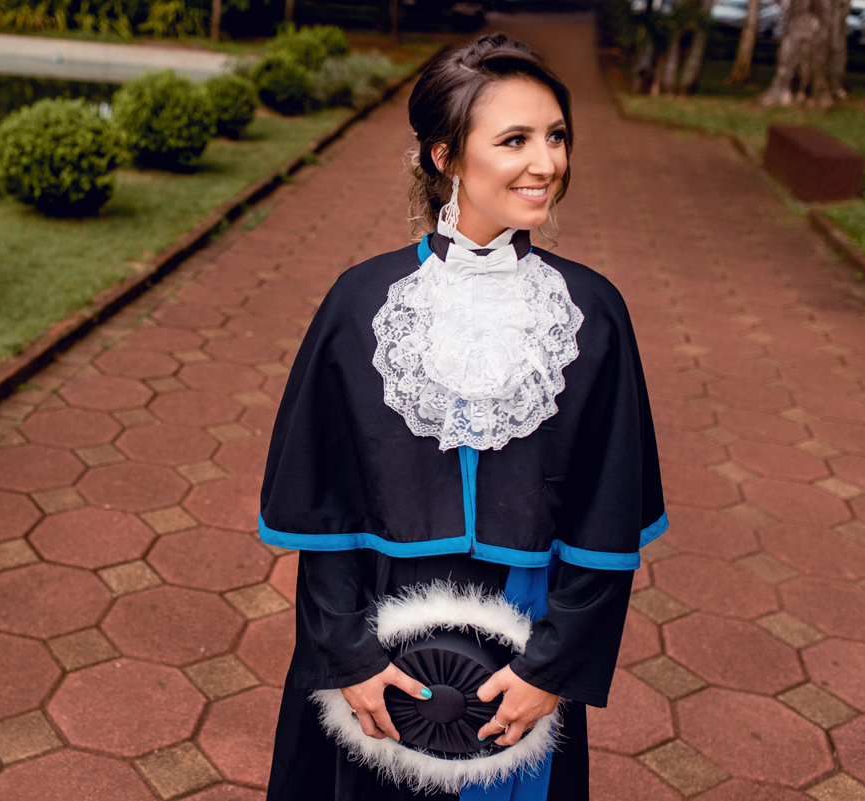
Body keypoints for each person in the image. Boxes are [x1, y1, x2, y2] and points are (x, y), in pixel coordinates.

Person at [257, 33, 666, 801]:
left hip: (526, 645)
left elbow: (605, 521)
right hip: (374, 649)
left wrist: (550, 671)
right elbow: (323, 513)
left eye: (556, 136)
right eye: (514, 140)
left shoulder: (591, 314)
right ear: (445, 156)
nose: (546, 163)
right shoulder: (362, 304)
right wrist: (346, 653)